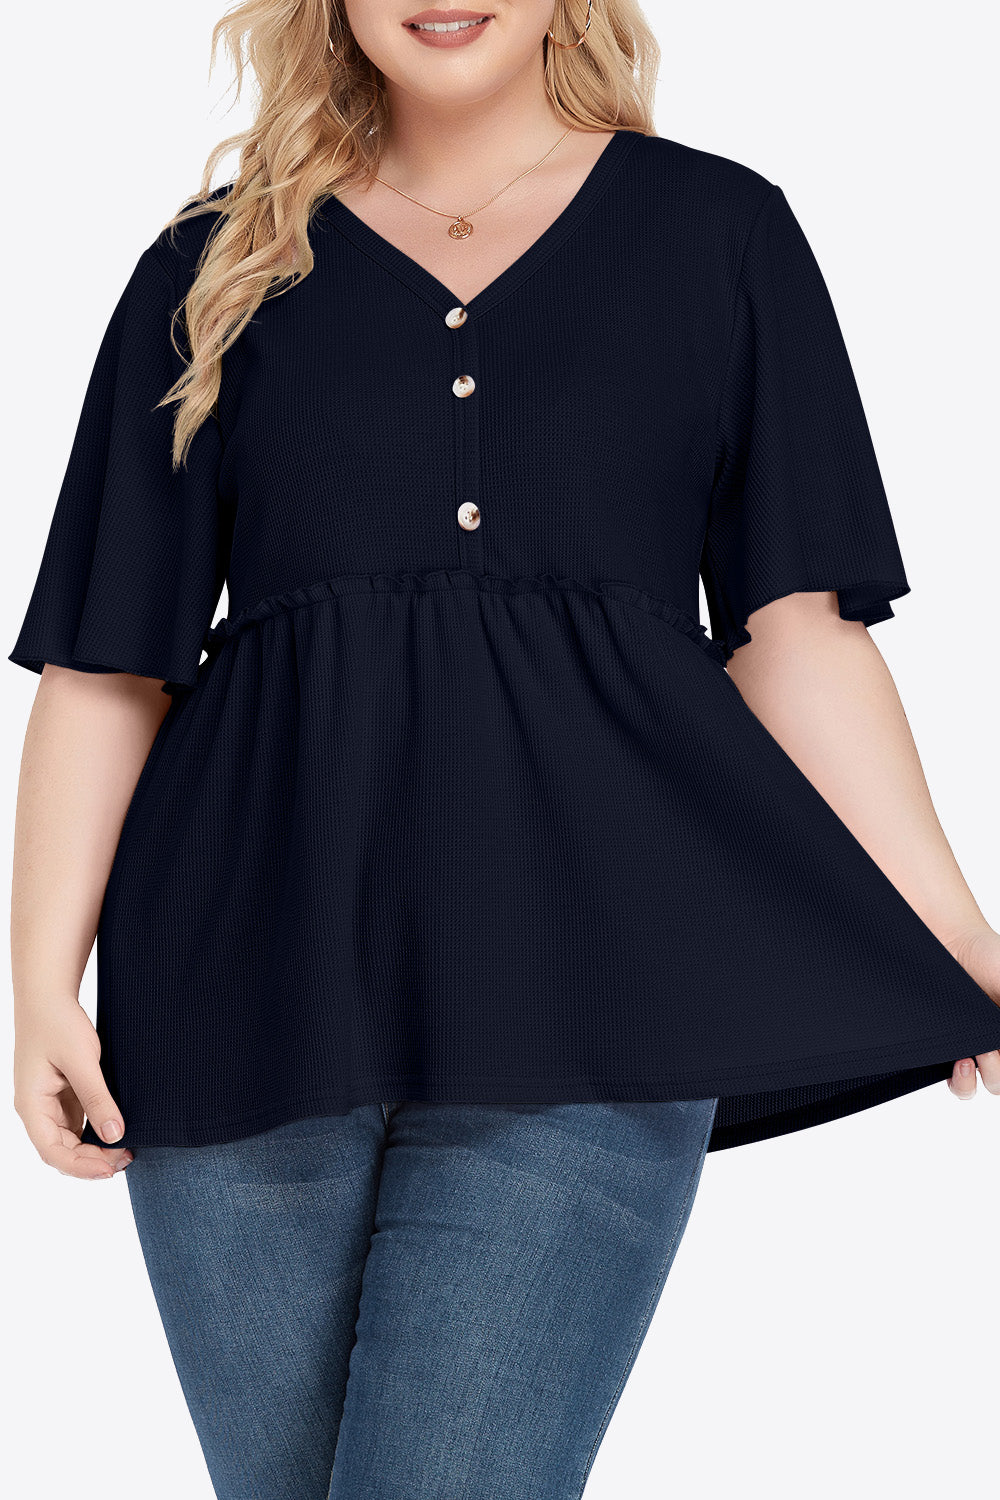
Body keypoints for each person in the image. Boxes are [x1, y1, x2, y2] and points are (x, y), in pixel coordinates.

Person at [9, 1, 1000, 1495]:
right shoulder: (214, 263)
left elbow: (798, 635)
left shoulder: (718, 235)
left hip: (597, 993)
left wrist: (954, 933)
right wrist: (39, 983)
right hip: (236, 990)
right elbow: (109, 663)